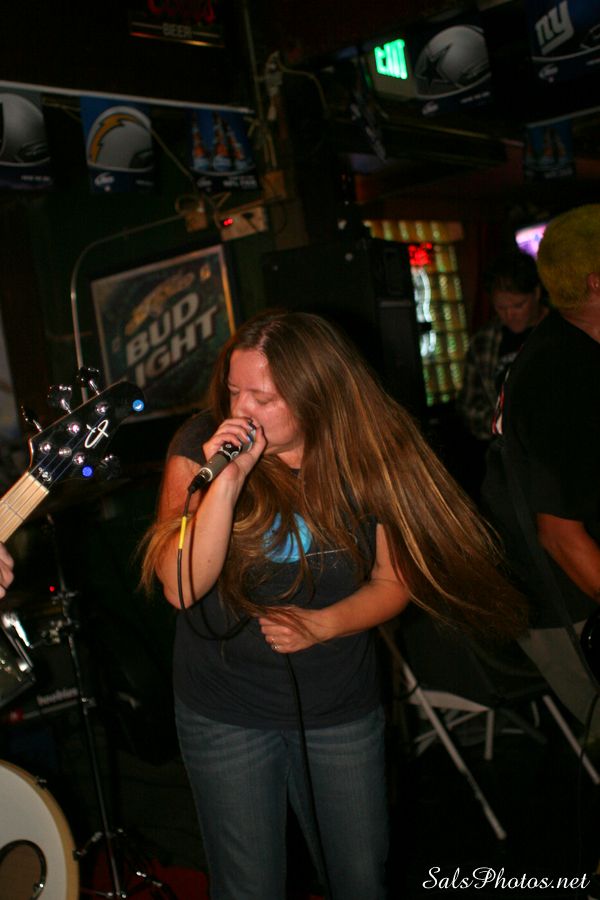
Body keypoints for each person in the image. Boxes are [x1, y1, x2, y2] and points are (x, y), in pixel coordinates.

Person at [142, 309, 526, 900]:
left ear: (317, 395)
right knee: (249, 887)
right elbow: (182, 587)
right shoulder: (202, 446)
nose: (242, 409)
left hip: (338, 706)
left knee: (360, 877)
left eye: (264, 398)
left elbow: (393, 582)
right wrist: (226, 483)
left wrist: (323, 625)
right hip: (224, 706)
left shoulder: (371, 452)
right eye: (235, 390)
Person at [482, 205, 600, 738]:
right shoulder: (562, 373)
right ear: (595, 282)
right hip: (569, 600)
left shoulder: (571, 347)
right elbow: (560, 534)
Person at [457, 249, 546, 444]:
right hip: (507, 449)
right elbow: (470, 404)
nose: (509, 315)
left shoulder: (560, 332)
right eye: (501, 308)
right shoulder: (483, 341)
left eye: (518, 305)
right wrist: (503, 426)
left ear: (537, 293)